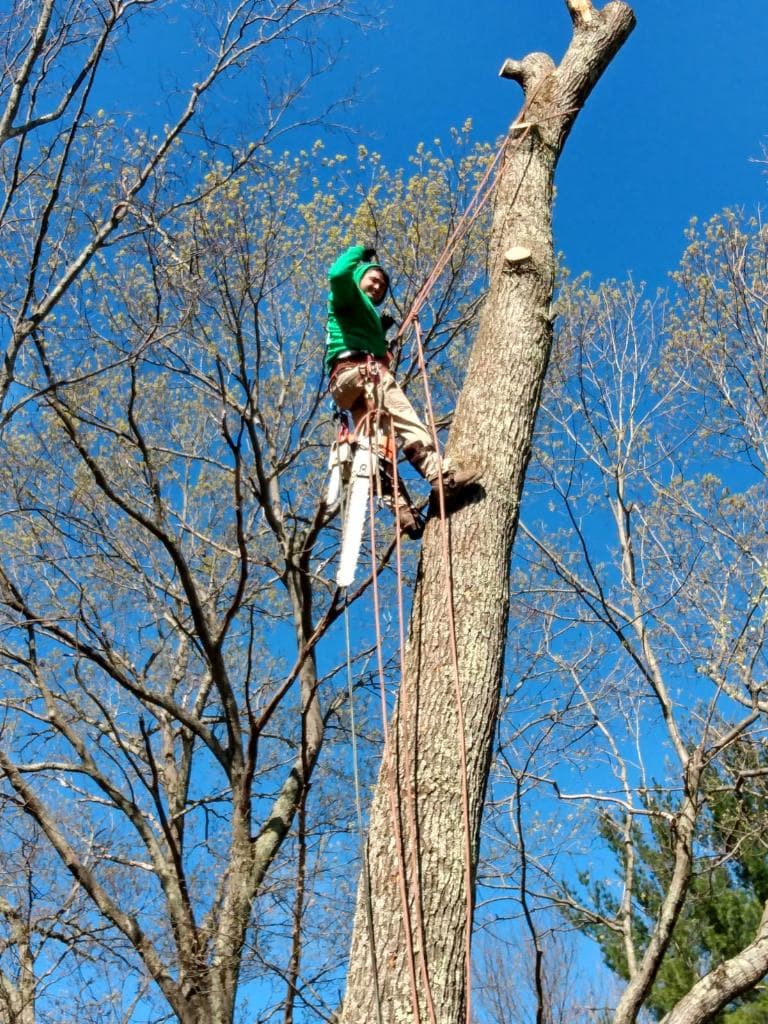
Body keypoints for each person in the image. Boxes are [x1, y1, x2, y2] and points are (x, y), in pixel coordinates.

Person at [325, 244, 481, 537]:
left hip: (348, 387)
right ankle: (440, 475)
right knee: (404, 416)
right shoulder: (348, 298)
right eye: (372, 278)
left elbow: (366, 343)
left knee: (374, 447)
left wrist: (381, 336)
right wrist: (360, 253)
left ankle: (403, 511)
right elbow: (337, 274)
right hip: (361, 374)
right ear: (358, 279)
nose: (377, 285)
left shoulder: (364, 318)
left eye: (382, 284)